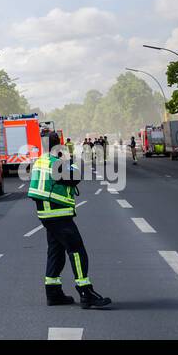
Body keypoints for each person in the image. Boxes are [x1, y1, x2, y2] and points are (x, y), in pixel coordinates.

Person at [27, 131, 112, 309]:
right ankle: (85, 292)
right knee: (77, 250)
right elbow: (75, 177)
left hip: (46, 214)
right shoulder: (56, 163)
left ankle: (53, 292)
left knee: (56, 251)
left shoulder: (40, 161)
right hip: (57, 214)